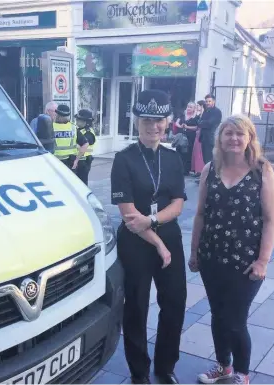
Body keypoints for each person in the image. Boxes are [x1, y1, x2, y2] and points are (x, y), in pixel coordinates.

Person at [189, 114, 274, 385]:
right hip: (212, 257)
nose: (234, 138)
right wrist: (194, 253)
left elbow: (271, 220)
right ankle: (223, 366)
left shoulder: (262, 171)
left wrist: (263, 261)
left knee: (236, 319)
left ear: (250, 138)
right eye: (228, 133)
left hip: (246, 261)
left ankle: (242, 372)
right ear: (220, 138)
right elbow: (200, 215)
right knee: (218, 315)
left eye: (240, 133)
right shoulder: (209, 169)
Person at [110, 89, 187, 385]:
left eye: (158, 120)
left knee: (175, 302)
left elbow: (178, 203)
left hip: (168, 234)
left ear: (166, 122)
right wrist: (157, 243)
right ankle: (138, 371)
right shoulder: (123, 159)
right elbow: (129, 215)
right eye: (146, 120)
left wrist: (153, 221)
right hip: (137, 242)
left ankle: (166, 366)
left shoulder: (172, 158)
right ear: (136, 122)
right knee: (137, 305)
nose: (153, 126)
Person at [74, 108, 97, 185]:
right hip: (79, 159)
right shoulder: (79, 130)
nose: (76, 121)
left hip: (84, 161)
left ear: (85, 122)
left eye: (78, 119)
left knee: (82, 183)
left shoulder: (88, 133)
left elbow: (83, 145)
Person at [175, 102, 199, 174]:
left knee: (188, 153)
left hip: (190, 137)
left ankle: (186, 170)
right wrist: (181, 126)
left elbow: (197, 127)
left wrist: (187, 127)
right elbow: (176, 122)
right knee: (179, 152)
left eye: (191, 107)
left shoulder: (196, 117)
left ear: (194, 109)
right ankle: (178, 168)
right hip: (180, 137)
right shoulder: (182, 115)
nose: (189, 108)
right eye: (188, 106)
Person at [198, 94, 222, 164]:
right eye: (206, 101)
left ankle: (211, 174)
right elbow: (199, 122)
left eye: (209, 101)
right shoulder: (206, 111)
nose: (207, 103)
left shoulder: (217, 112)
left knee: (210, 160)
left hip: (211, 139)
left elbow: (209, 124)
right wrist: (202, 123)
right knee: (205, 159)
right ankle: (207, 174)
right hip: (204, 138)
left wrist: (202, 123)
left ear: (213, 101)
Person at [191, 100, 206, 176]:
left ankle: (200, 170)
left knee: (200, 152)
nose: (197, 107)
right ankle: (197, 170)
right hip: (198, 133)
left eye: (198, 105)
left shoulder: (204, 114)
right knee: (196, 151)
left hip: (201, 133)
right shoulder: (199, 114)